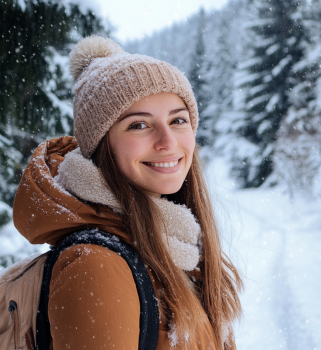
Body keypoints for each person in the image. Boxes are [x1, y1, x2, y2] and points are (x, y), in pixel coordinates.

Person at [13, 35, 242, 350]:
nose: (167, 142)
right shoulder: (96, 265)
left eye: (178, 120)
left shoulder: (178, 245)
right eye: (138, 125)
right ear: (102, 144)